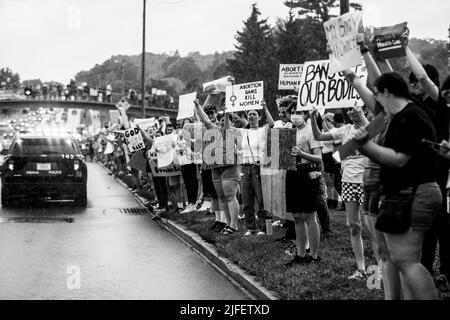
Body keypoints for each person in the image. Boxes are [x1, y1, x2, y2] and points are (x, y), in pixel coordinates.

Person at [354, 72, 441, 300]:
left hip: (415, 193)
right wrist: (352, 78)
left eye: (377, 94)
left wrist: (364, 146)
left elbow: (399, 158)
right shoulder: (404, 113)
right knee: (401, 259)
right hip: (407, 193)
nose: (376, 101)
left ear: (387, 92)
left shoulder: (410, 117)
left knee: (406, 260)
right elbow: (375, 100)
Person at [404, 43, 450, 290]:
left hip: (440, 176)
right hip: (419, 177)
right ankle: (425, 272)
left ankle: (442, 273)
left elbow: (422, 75)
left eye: (416, 81)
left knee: (441, 227)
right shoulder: (415, 105)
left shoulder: (440, 106)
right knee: (425, 229)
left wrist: (404, 48)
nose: (412, 84)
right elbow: (392, 90)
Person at [311, 106, 369, 280]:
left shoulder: (373, 128)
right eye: (349, 111)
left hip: (368, 183)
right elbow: (319, 137)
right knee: (354, 226)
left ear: (364, 109)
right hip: (349, 182)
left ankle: (382, 267)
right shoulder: (346, 130)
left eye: (355, 109)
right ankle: (361, 268)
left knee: (374, 228)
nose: (352, 113)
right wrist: (313, 118)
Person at [194, 98, 241, 235]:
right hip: (216, 167)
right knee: (222, 197)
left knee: (230, 196)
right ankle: (227, 223)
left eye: (224, 120)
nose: (221, 122)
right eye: (219, 120)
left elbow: (226, 125)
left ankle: (234, 225)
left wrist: (226, 112)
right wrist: (197, 106)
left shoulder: (233, 132)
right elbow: (205, 119)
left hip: (229, 166)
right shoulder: (214, 129)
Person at [284, 104, 323, 266]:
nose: (295, 115)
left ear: (305, 114)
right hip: (292, 173)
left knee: (309, 215)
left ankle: (313, 255)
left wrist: (301, 154)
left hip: (308, 172)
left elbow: (319, 158)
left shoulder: (311, 132)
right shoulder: (288, 132)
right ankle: (300, 254)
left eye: (298, 112)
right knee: (297, 216)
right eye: (292, 113)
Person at [241, 102, 274, 236]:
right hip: (245, 166)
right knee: (247, 199)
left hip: (259, 166)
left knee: (261, 199)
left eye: (255, 114)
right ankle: (250, 228)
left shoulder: (263, 130)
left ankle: (263, 227)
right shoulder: (243, 132)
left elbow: (271, 123)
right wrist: (227, 113)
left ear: (259, 117)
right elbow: (227, 128)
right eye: (249, 114)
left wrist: (265, 108)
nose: (252, 116)